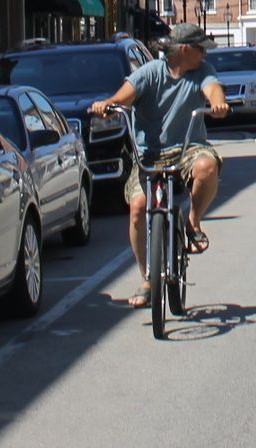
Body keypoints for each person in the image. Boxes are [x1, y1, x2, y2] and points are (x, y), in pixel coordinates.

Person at [89, 22, 229, 309]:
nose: (204, 55)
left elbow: (213, 90)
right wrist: (109, 104)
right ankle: (147, 279)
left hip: (188, 148)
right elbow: (124, 96)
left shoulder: (203, 72)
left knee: (207, 167)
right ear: (184, 49)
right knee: (139, 210)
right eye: (200, 49)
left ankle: (193, 221)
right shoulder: (150, 73)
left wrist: (219, 104)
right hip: (149, 155)